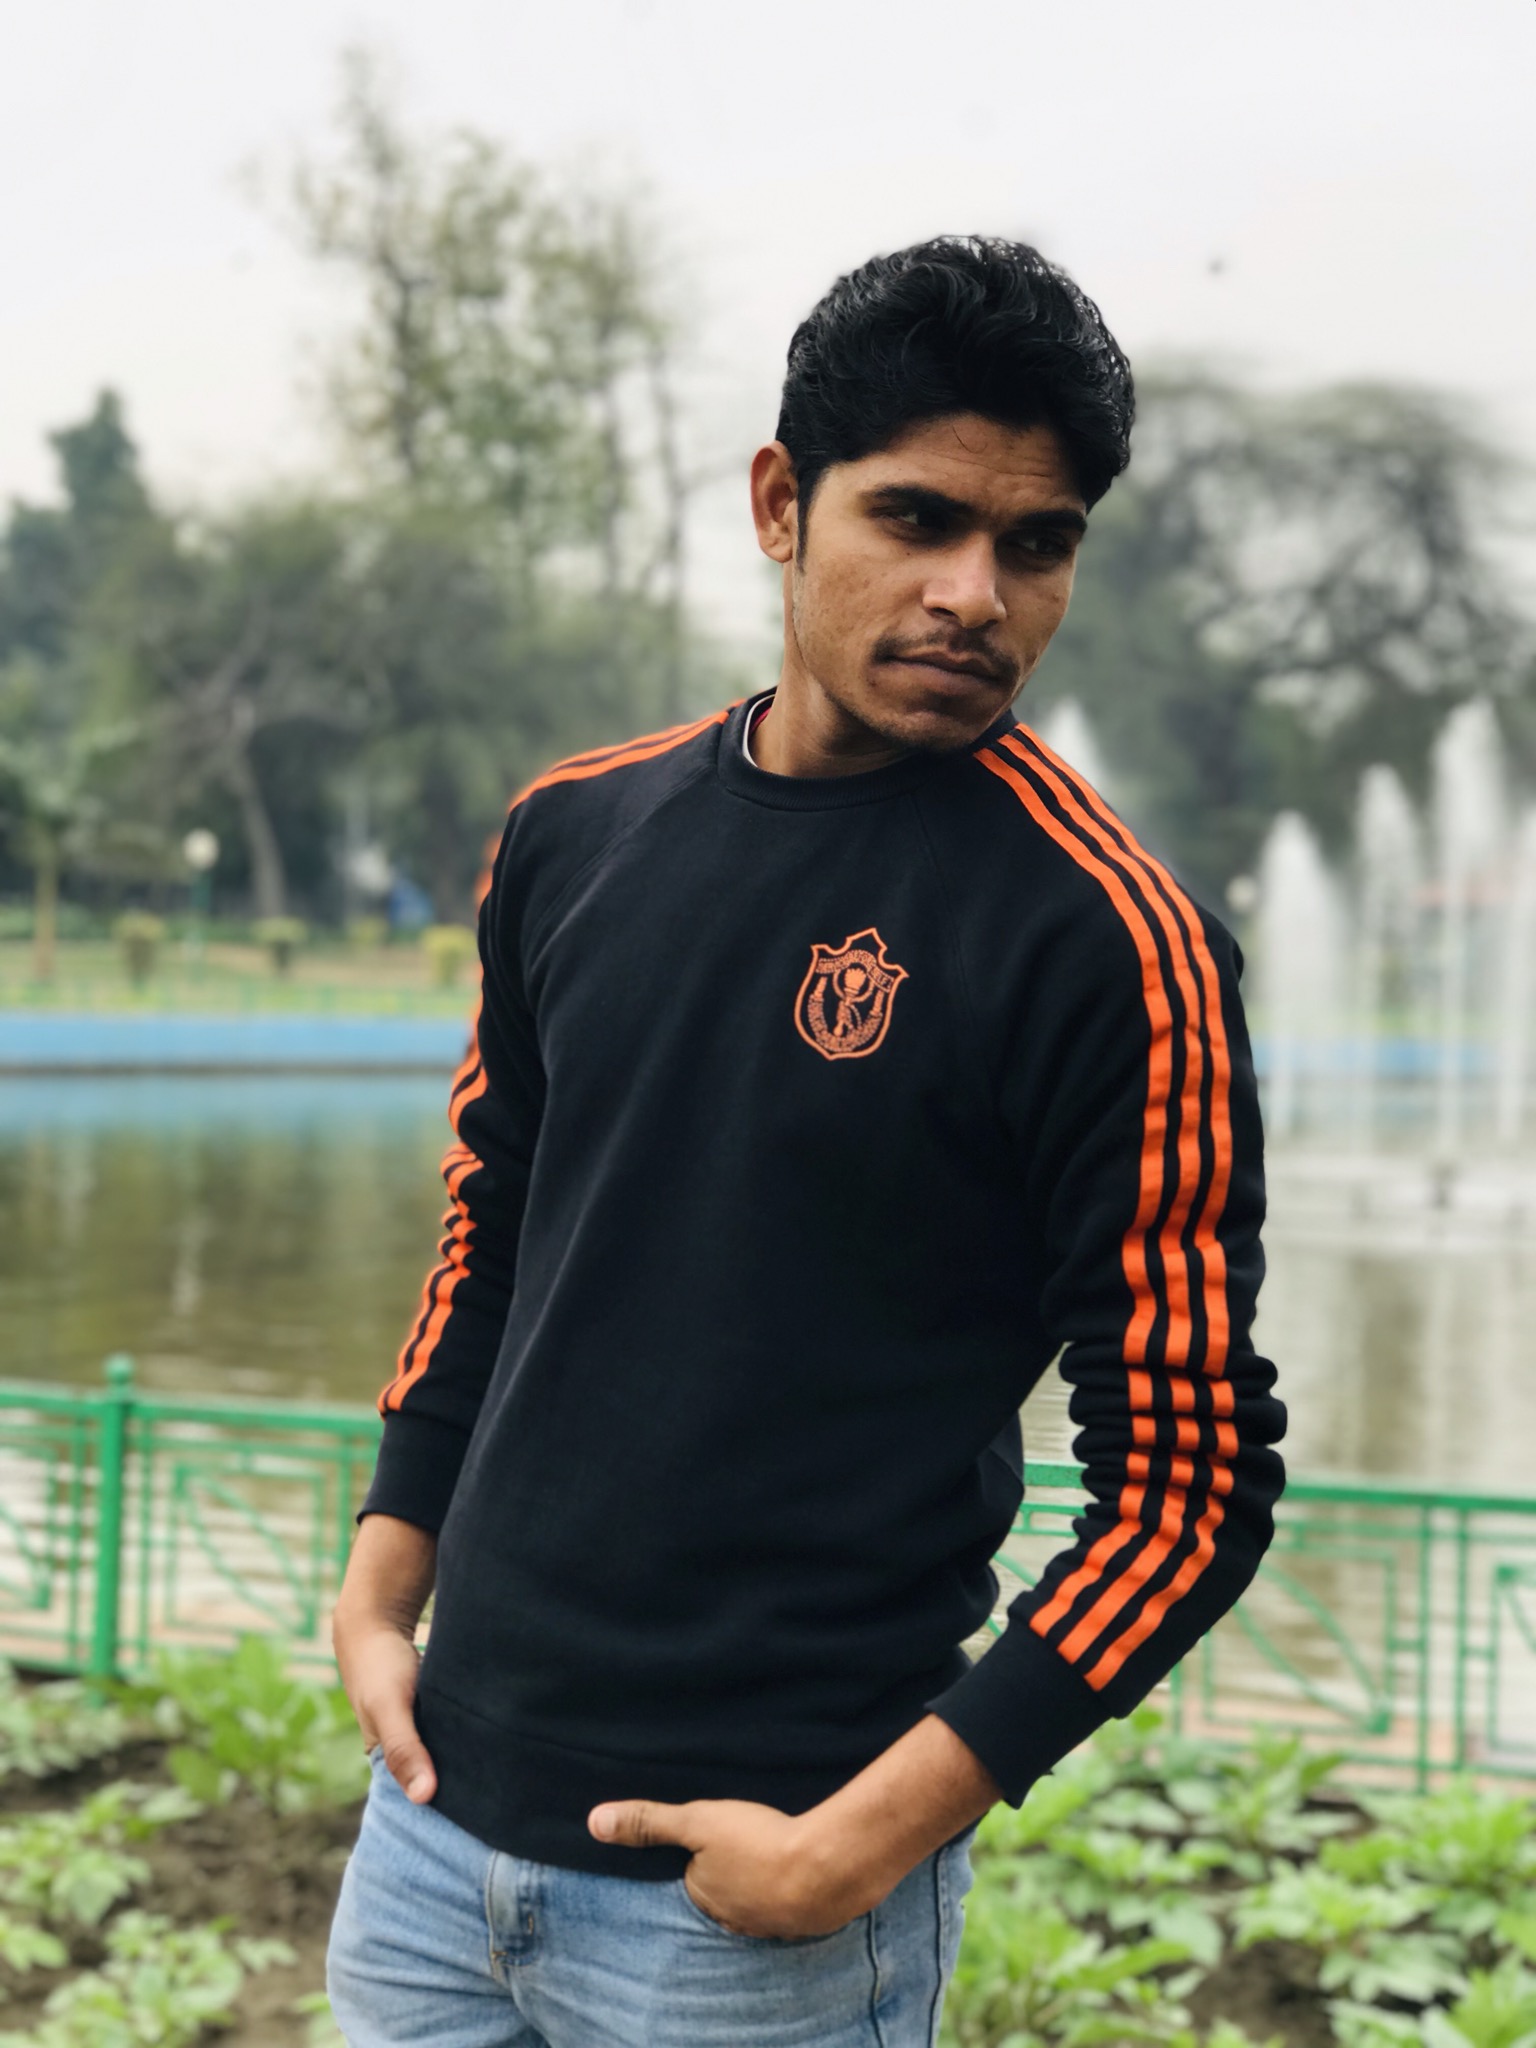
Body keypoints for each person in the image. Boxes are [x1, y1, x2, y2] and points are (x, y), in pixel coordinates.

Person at [325, 235, 1287, 2048]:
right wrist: (384, 1588)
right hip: (434, 1837)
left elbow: (1188, 1486)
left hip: (750, 1916)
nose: (974, 595)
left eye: (1037, 543)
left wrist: (857, 1846)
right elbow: (494, 1229)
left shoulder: (1111, 944)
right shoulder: (573, 835)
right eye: (916, 518)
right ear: (782, 502)